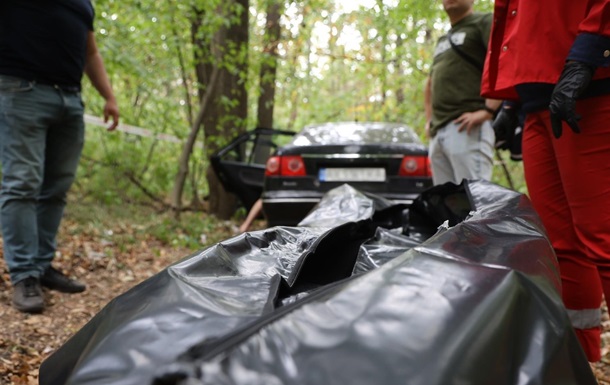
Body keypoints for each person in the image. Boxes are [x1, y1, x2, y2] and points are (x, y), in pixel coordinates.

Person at [481, 0, 610, 362]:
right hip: (536, 97)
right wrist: (510, 103)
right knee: (562, 244)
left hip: (592, 82)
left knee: (604, 239)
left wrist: (589, 53)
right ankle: (581, 360)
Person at [0, 1, 120, 313]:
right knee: (22, 183)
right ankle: (24, 274)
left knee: (56, 187)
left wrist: (109, 96)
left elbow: (90, 53)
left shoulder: (83, 4)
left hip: (69, 99)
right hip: (20, 91)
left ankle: (41, 266)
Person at [424, 0, 502, 186]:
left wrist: (488, 111)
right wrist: (429, 121)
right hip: (439, 131)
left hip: (467, 126)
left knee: (475, 200)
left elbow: (503, 60)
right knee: (446, 206)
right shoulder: (443, 40)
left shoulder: (483, 22)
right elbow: (430, 83)